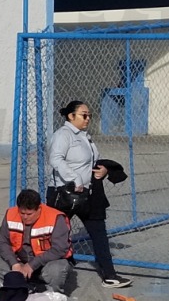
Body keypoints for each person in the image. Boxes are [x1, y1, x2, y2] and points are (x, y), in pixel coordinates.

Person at [49, 100, 132, 289]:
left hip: (87, 194)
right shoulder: (63, 135)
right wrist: (75, 179)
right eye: (83, 115)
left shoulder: (85, 136)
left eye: (89, 115)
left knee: (99, 233)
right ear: (71, 116)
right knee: (55, 234)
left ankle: (109, 275)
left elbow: (89, 162)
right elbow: (55, 159)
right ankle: (46, 273)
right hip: (64, 194)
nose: (88, 118)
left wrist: (104, 171)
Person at [0, 189, 73, 294]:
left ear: (39, 209)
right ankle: (23, 288)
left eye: (29, 214)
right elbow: (2, 242)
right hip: (20, 261)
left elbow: (59, 249)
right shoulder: (10, 214)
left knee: (56, 270)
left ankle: (53, 296)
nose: (25, 217)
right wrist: (14, 264)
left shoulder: (55, 218)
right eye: (22, 213)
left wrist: (32, 265)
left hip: (46, 263)